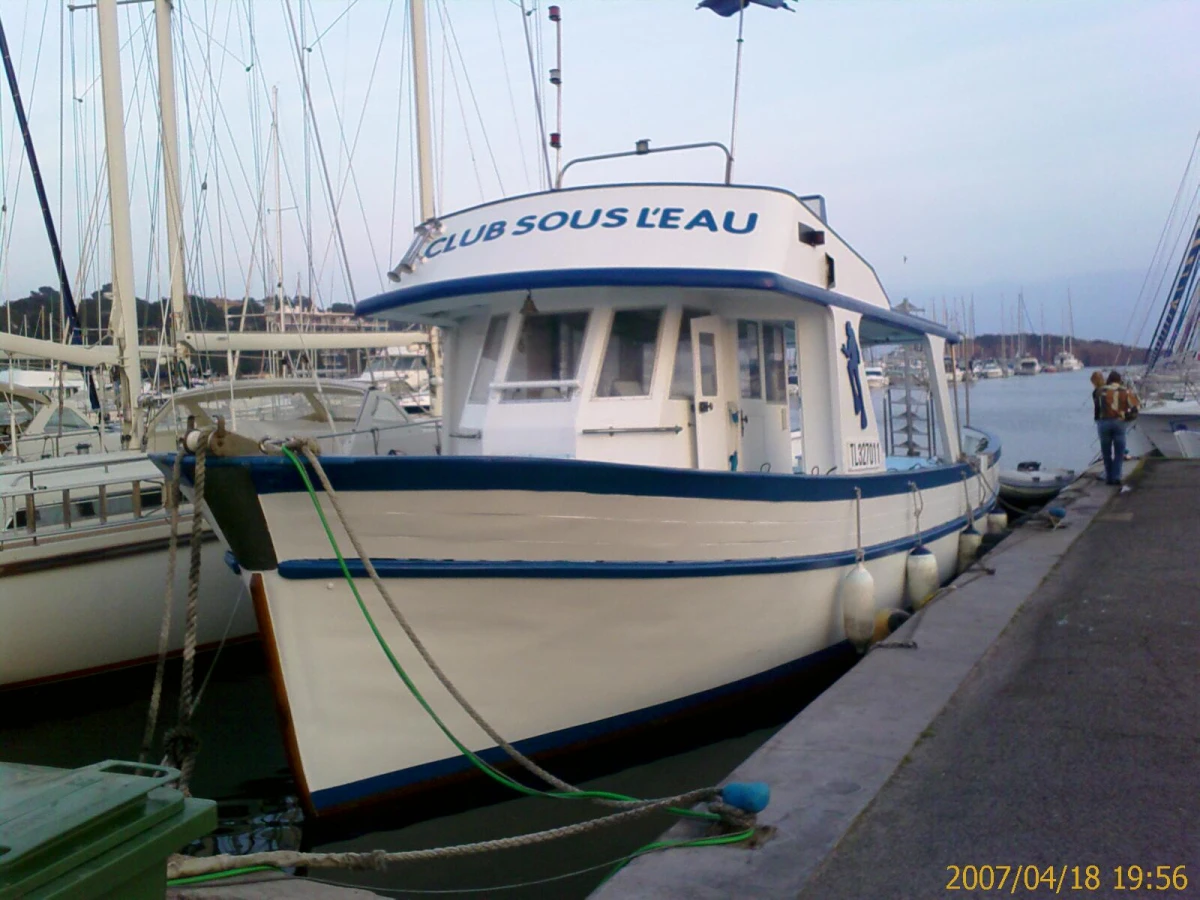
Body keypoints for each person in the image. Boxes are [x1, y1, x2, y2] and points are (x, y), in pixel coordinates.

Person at [1096, 370, 1139, 485]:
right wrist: (1128, 417)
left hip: (1103, 423)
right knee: (1119, 452)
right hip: (1119, 422)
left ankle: (1108, 477)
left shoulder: (1100, 391)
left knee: (1106, 452)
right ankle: (1117, 476)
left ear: (1109, 379)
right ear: (1119, 380)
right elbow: (1135, 407)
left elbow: (1097, 408)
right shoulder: (1125, 391)